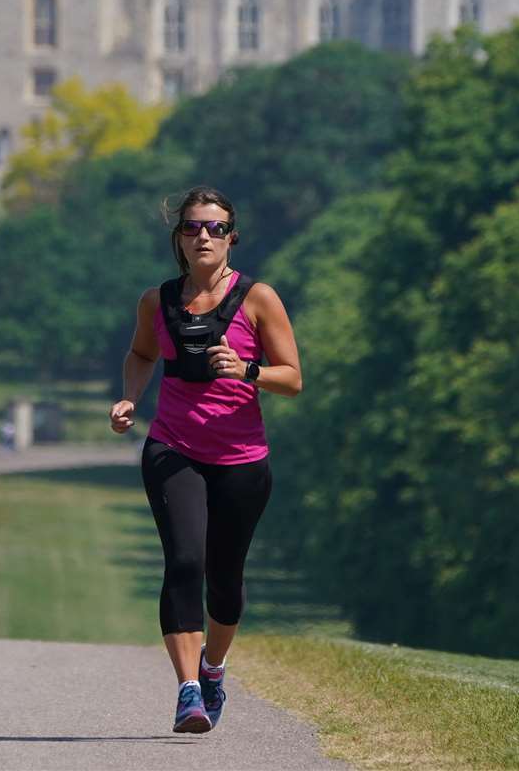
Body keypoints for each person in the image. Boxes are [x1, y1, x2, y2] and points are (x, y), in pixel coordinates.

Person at [110, 186, 301, 735]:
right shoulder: (158, 301)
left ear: (231, 237)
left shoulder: (258, 298)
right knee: (185, 561)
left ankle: (214, 668)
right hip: (173, 447)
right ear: (179, 237)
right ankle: (188, 689)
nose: (203, 236)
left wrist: (246, 370)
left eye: (214, 228)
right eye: (192, 227)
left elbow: (293, 377)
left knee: (225, 578)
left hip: (241, 458)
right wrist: (130, 397)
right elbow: (143, 353)